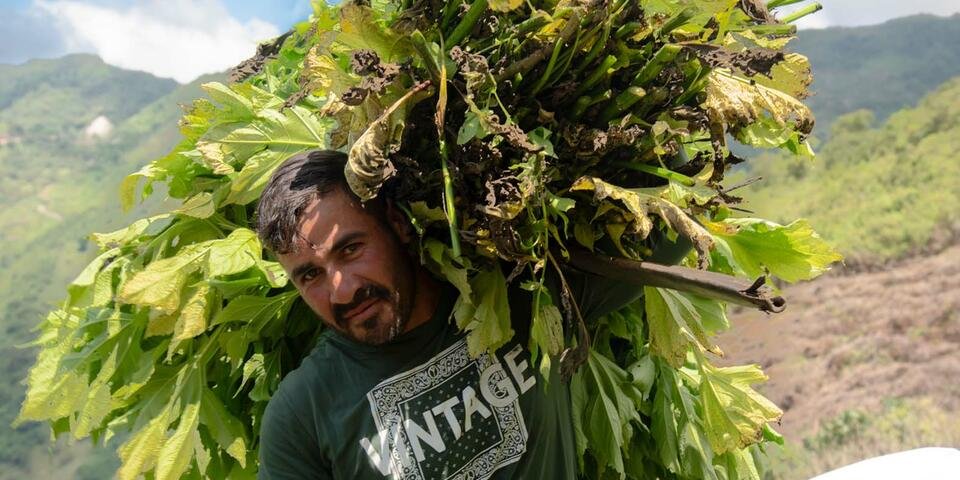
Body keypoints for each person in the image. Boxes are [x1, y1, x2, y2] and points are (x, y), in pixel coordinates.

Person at [254, 149, 690, 479]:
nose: (342, 290)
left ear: (396, 223)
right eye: (309, 274)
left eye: (350, 249)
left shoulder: (527, 295)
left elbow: (676, 228)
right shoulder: (302, 415)